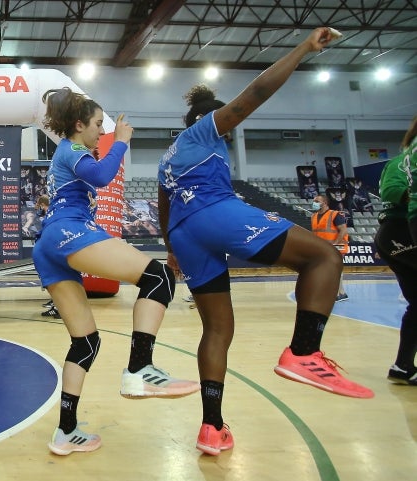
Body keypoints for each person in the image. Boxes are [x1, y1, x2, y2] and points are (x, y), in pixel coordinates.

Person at [156, 28, 374, 457]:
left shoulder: (169, 155)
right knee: (324, 257)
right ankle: (304, 352)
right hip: (215, 213)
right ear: (210, 118)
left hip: (185, 233)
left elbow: (164, 208)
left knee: (217, 329)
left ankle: (212, 427)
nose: (233, 122)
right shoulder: (205, 131)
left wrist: (171, 248)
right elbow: (255, 91)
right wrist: (305, 48)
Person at [32, 87, 200, 457]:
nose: (100, 132)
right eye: (96, 125)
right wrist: (121, 141)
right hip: (68, 232)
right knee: (158, 276)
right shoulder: (73, 150)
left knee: (86, 342)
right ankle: (140, 367)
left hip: (49, 246)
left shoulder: (68, 153)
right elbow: (105, 175)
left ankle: (66, 430)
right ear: (79, 125)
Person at [377, 115, 417, 385]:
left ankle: (403, 366)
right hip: (399, 230)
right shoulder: (400, 162)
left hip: (396, 234)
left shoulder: (401, 159)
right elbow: (391, 190)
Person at [311, 194, 349, 301]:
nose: (314, 203)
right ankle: (341, 292)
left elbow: (343, 230)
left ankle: (335, 293)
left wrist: (335, 245)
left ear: (325, 203)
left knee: (332, 270)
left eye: (317, 201)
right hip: (322, 248)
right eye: (314, 201)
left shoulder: (335, 214)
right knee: (333, 270)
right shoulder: (313, 216)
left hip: (335, 246)